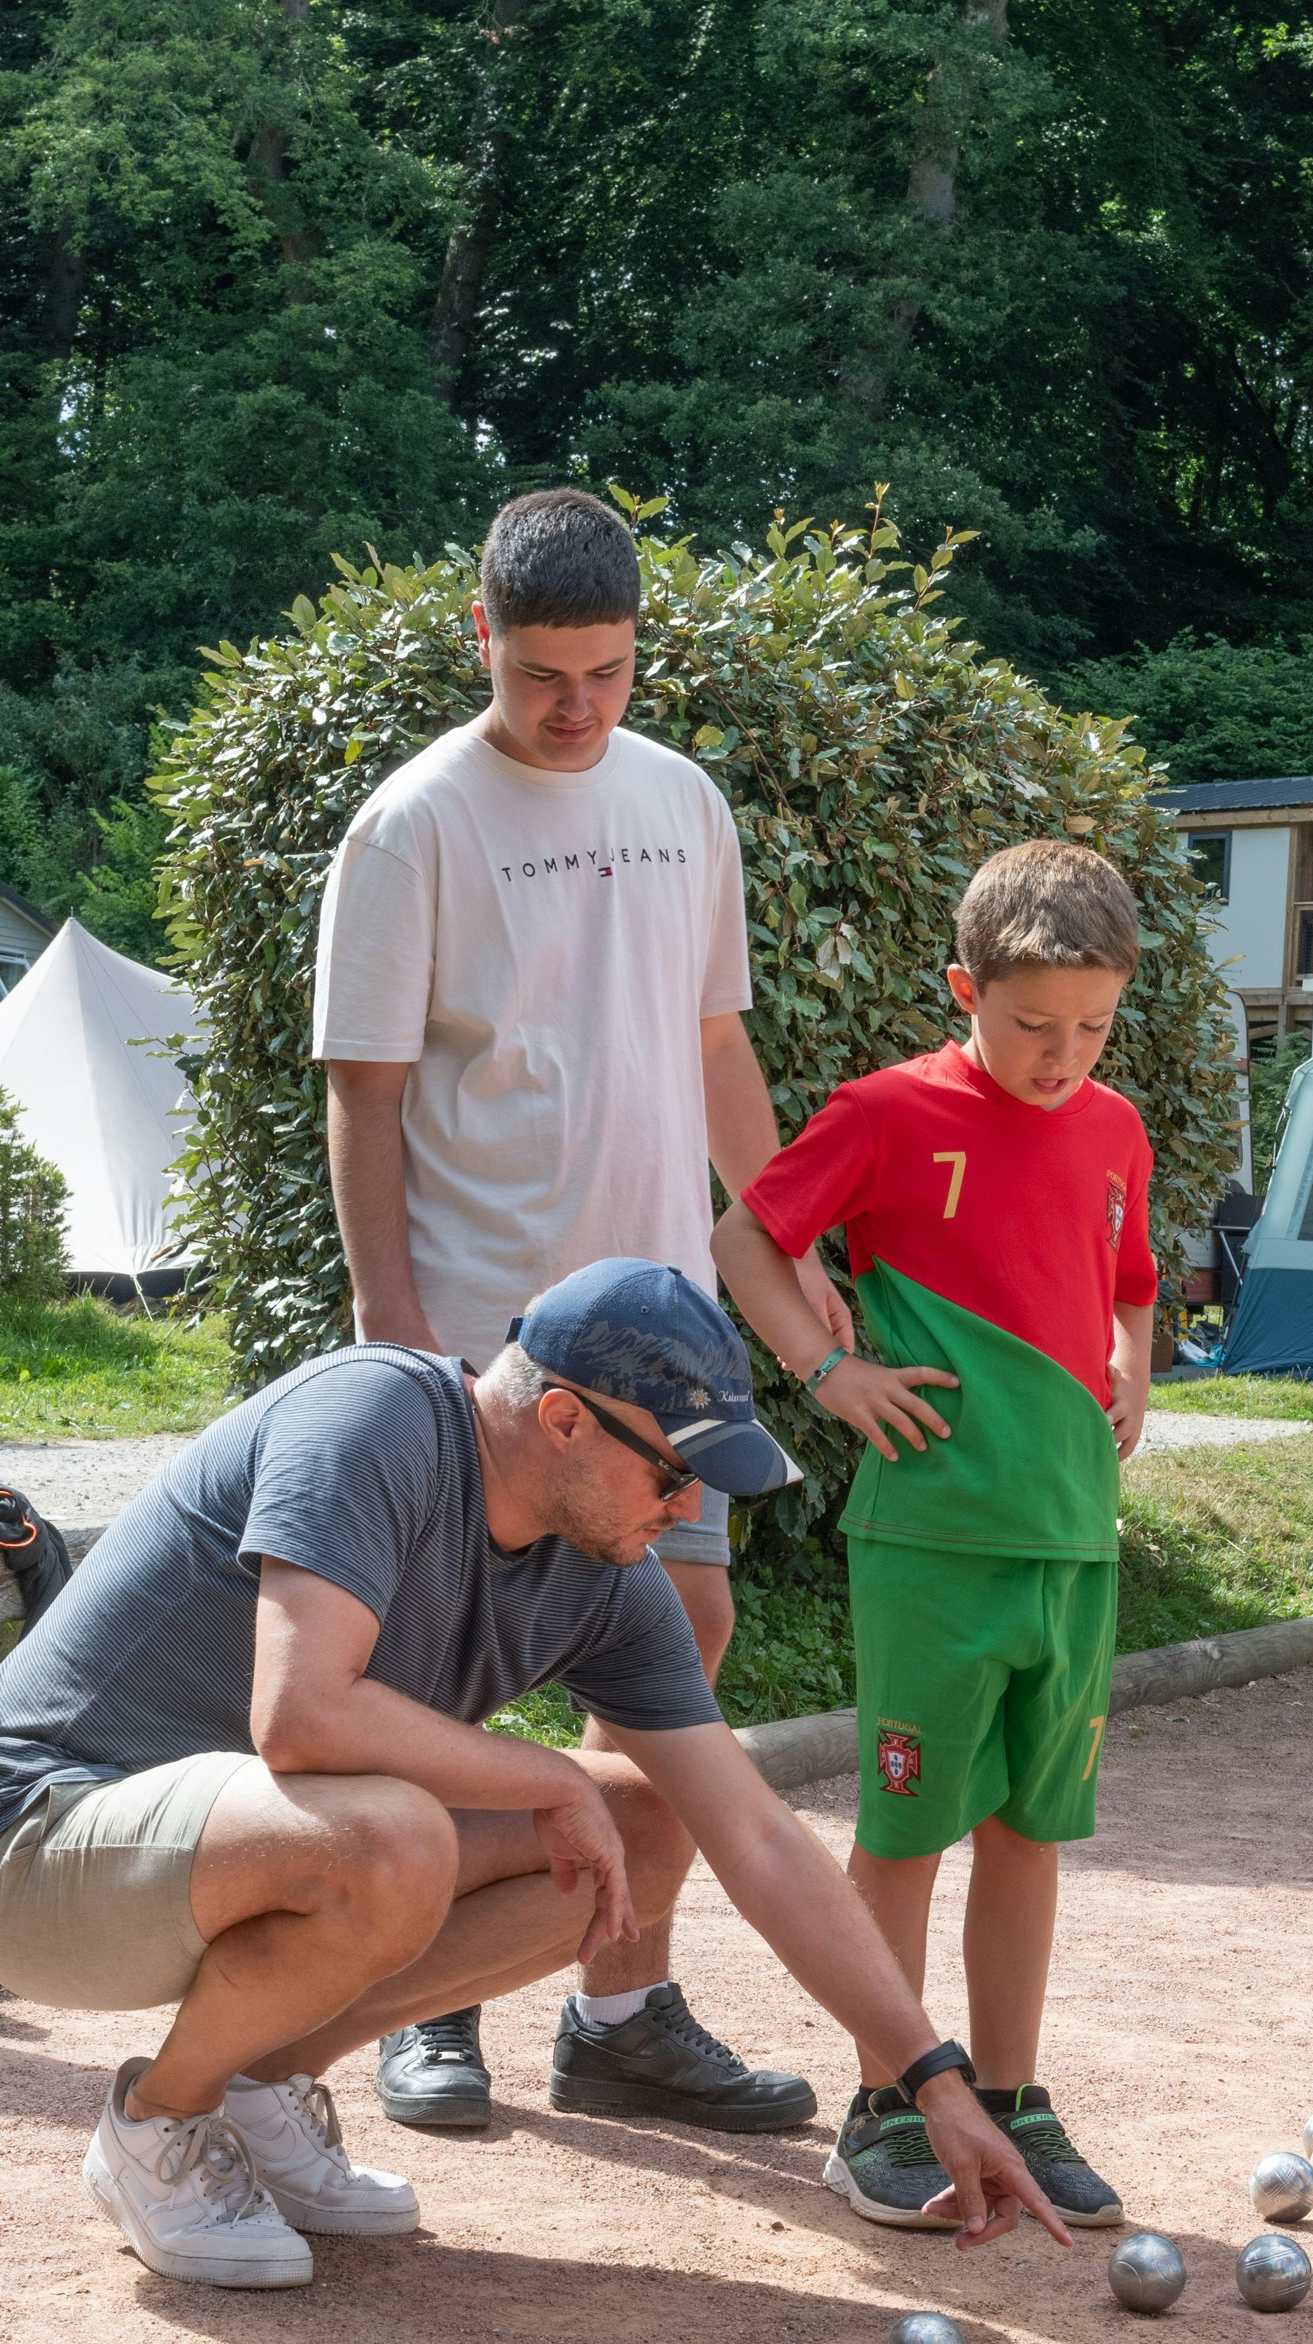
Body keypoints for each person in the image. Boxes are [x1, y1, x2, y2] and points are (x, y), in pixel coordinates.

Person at [0, 1258, 1067, 2289]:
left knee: (647, 1822)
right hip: (37, 1849)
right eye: (674, 1474)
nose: (686, 1511)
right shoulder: (374, 1414)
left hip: (223, 1853)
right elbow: (301, 1712)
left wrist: (931, 2080)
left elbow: (753, 1834)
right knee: (398, 1834)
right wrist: (546, 1775)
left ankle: (257, 2086)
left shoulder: (607, 1575)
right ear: (565, 1420)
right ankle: (154, 2123)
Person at [314, 485, 845, 2138]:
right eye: (545, 673)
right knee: (442, 1684)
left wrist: (789, 1243)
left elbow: (715, 1050)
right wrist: (392, 1325)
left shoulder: (684, 802)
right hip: (483, 1343)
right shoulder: (412, 827)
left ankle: (620, 2006)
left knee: (678, 1650)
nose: (576, 706)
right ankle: (426, 2005)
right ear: (482, 637)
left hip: (668, 1337)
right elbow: (367, 1092)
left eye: (608, 672)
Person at [712, 840, 1156, 2233]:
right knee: (904, 1831)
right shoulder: (889, 1110)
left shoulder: (1118, 1128)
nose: (1061, 1054)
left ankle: (1013, 2091)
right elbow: (747, 1238)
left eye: (1092, 1025)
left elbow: (1131, 1281)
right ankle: (883, 2102)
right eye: (1032, 1024)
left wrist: (1137, 1355)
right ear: (966, 986)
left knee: (1031, 1831)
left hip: (1072, 1536)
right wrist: (819, 1369)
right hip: (931, 1540)